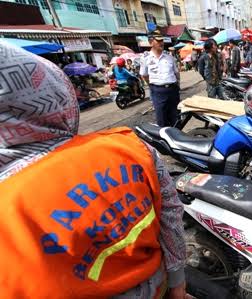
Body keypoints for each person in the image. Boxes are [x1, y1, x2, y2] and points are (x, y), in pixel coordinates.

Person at [0, 41, 187, 298]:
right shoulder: (129, 146)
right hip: (158, 285)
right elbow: (171, 216)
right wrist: (177, 282)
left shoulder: (8, 199)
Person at [140, 30, 180, 127]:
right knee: (162, 119)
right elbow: (144, 75)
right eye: (158, 41)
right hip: (158, 91)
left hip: (172, 90)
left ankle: (177, 138)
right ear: (151, 42)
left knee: (176, 118)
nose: (161, 43)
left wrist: (177, 85)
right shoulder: (146, 58)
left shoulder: (169, 57)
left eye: (162, 40)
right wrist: (153, 86)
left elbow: (176, 73)